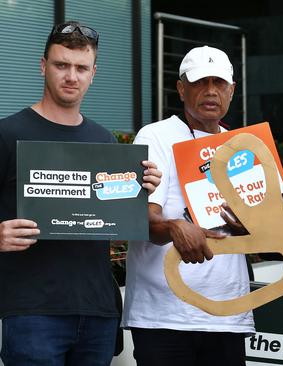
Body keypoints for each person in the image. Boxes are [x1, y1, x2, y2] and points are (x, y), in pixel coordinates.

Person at [0, 21, 161, 366]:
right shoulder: (7, 133)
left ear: (93, 73)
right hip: (32, 311)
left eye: (81, 68)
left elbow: (114, 219)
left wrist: (141, 189)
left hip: (98, 311)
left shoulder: (105, 143)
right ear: (43, 66)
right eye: (61, 65)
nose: (71, 76)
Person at [122, 46, 254, 366]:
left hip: (226, 312)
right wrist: (173, 227)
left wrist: (249, 222)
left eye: (219, 83)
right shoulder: (155, 136)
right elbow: (142, 220)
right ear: (181, 89)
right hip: (164, 315)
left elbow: (268, 228)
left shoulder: (244, 146)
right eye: (199, 82)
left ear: (232, 91)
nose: (210, 91)